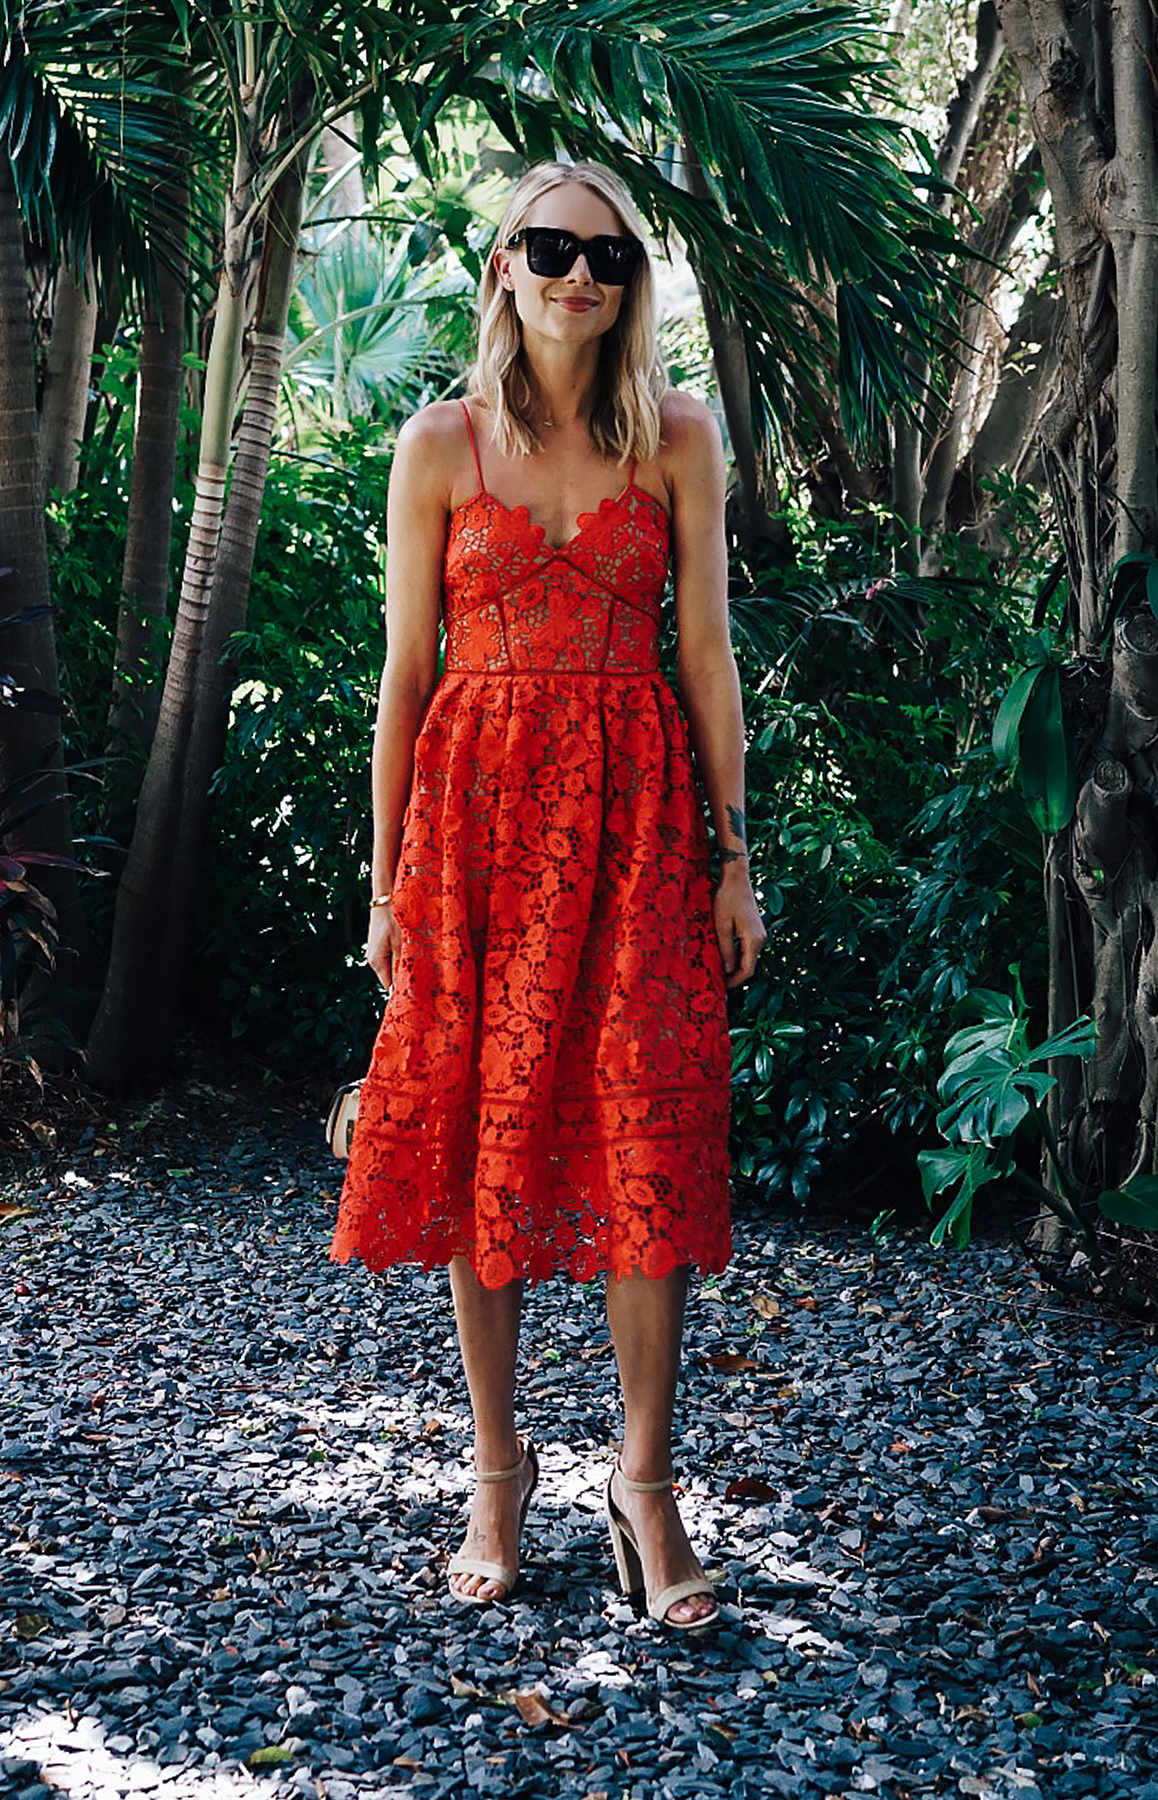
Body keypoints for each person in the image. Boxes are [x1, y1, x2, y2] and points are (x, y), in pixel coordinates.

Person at [330, 159, 766, 1633]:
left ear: (636, 284)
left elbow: (704, 662)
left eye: (613, 256)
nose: (583, 273)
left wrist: (734, 852)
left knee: (647, 1121)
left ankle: (645, 1489)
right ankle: (498, 1473)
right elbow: (402, 680)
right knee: (488, 1134)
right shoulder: (439, 445)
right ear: (505, 265)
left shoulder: (682, 440)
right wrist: (386, 884)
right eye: (554, 247)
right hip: (478, 828)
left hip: (641, 822)